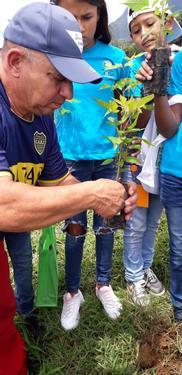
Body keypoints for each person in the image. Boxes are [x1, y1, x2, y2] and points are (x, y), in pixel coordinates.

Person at [0, 3, 138, 374]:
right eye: (58, 76)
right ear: (15, 62)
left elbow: (61, 180)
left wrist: (110, 196)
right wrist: (92, 194)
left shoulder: (41, 119)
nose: (68, 93)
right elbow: (4, 206)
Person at [52, 0, 134, 330]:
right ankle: (73, 293)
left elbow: (131, 108)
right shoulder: (55, 56)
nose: (79, 25)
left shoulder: (114, 60)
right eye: (69, 18)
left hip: (107, 158)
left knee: (106, 227)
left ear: (99, 17)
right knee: (74, 229)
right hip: (69, 158)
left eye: (86, 17)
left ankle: (102, 284)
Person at [121, 3, 181, 306]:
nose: (144, 33)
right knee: (137, 221)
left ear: (167, 23)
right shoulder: (134, 69)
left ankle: (144, 267)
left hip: (165, 162)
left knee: (154, 220)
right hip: (139, 160)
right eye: (136, 29)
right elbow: (134, 122)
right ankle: (133, 276)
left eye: (150, 24)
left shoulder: (178, 62)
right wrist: (146, 88)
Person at [136, 49, 182, 320]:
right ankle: (179, 308)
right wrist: (157, 87)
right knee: (179, 247)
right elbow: (169, 127)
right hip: (175, 171)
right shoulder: (178, 62)